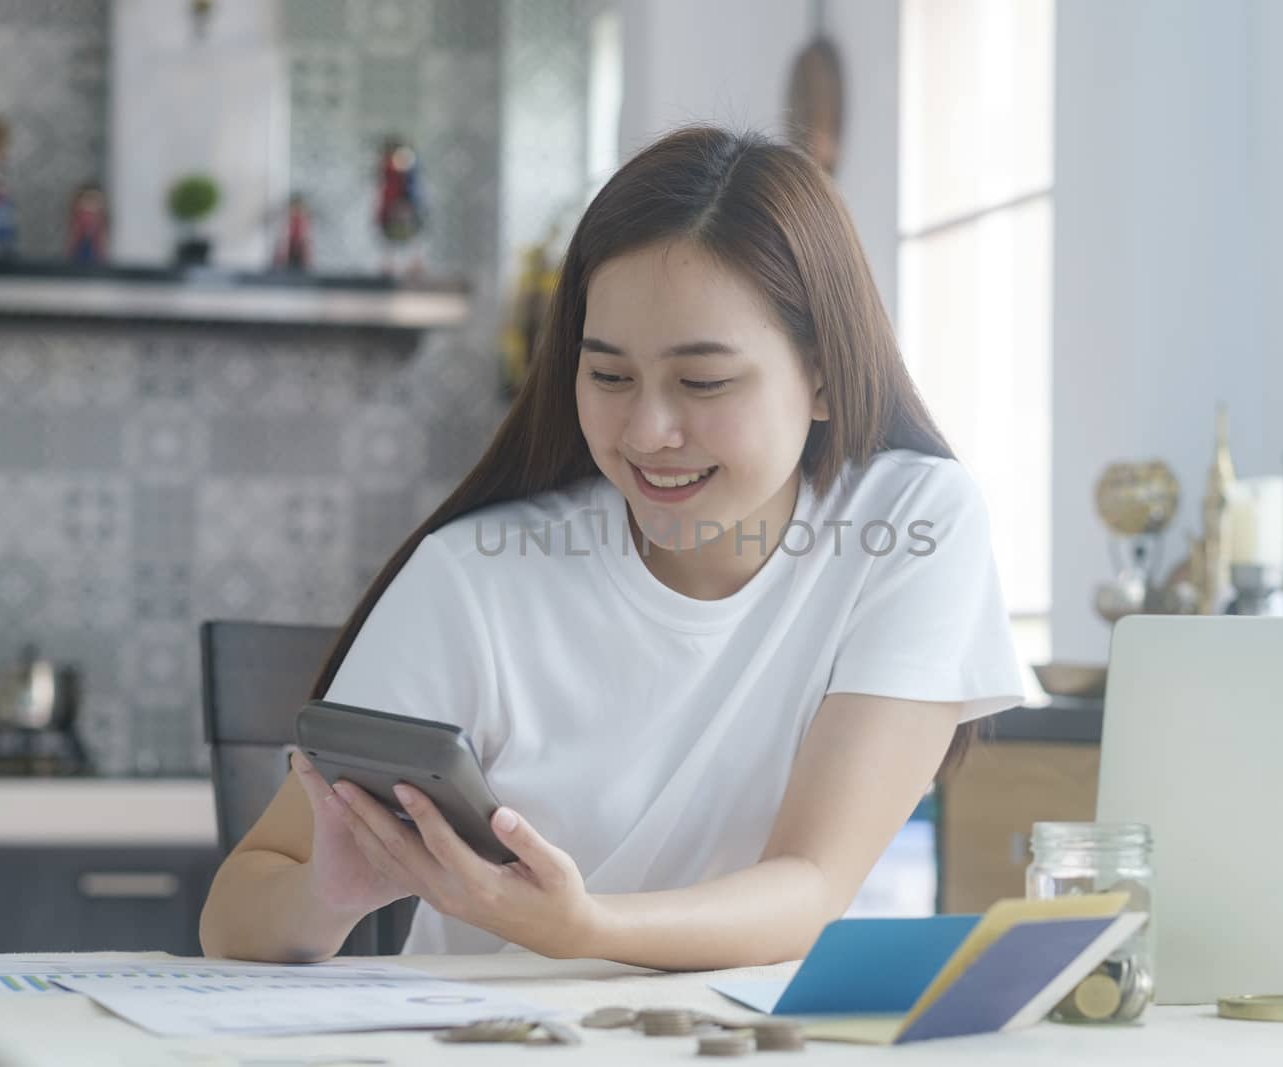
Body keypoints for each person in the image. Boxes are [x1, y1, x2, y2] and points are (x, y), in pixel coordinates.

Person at [199, 125, 1023, 970]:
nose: (648, 431)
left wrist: (584, 930)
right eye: (609, 375)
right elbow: (235, 913)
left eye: (703, 381)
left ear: (820, 373)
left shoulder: (914, 523)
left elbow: (810, 882)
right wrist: (324, 895)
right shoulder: (473, 577)